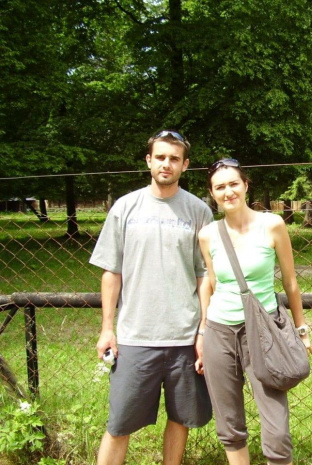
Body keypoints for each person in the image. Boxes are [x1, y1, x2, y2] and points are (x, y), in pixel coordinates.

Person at [90, 130, 213, 465]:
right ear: (148, 160)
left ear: (185, 165)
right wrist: (107, 328)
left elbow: (205, 276)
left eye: (174, 159)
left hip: (184, 337)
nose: (166, 164)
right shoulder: (125, 207)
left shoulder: (199, 211)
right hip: (134, 337)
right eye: (160, 157)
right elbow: (110, 272)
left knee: (181, 418)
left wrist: (203, 330)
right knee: (118, 424)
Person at [197, 158, 312, 465]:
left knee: (276, 425)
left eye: (234, 183)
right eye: (220, 187)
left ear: (246, 186)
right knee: (229, 423)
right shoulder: (208, 235)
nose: (228, 191)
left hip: (263, 330)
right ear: (212, 193)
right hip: (219, 332)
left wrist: (301, 329)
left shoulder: (272, 225)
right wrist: (203, 330)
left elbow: (290, 282)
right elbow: (211, 281)